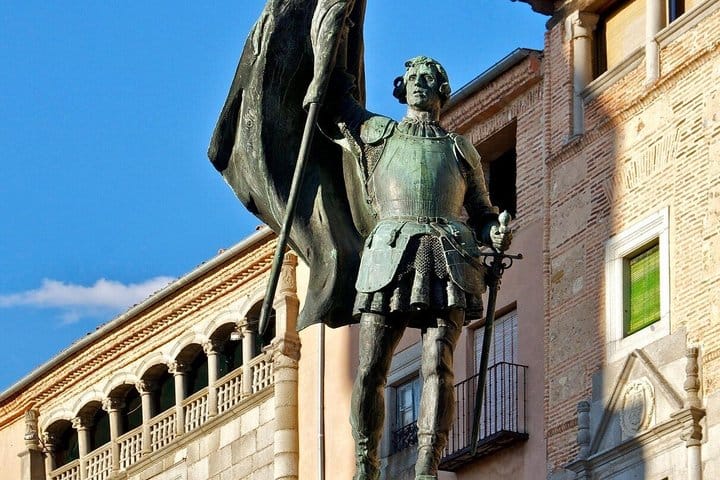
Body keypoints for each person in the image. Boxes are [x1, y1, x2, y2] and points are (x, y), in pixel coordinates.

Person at [314, 55, 512, 480]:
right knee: (370, 367)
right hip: (390, 253)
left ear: (442, 91)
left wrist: (494, 231)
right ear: (402, 88)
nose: (420, 82)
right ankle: (365, 462)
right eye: (413, 77)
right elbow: (335, 99)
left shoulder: (460, 149)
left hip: (448, 255)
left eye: (429, 77)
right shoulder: (378, 133)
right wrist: (337, 36)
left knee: (438, 364)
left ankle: (427, 465)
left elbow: (481, 212)